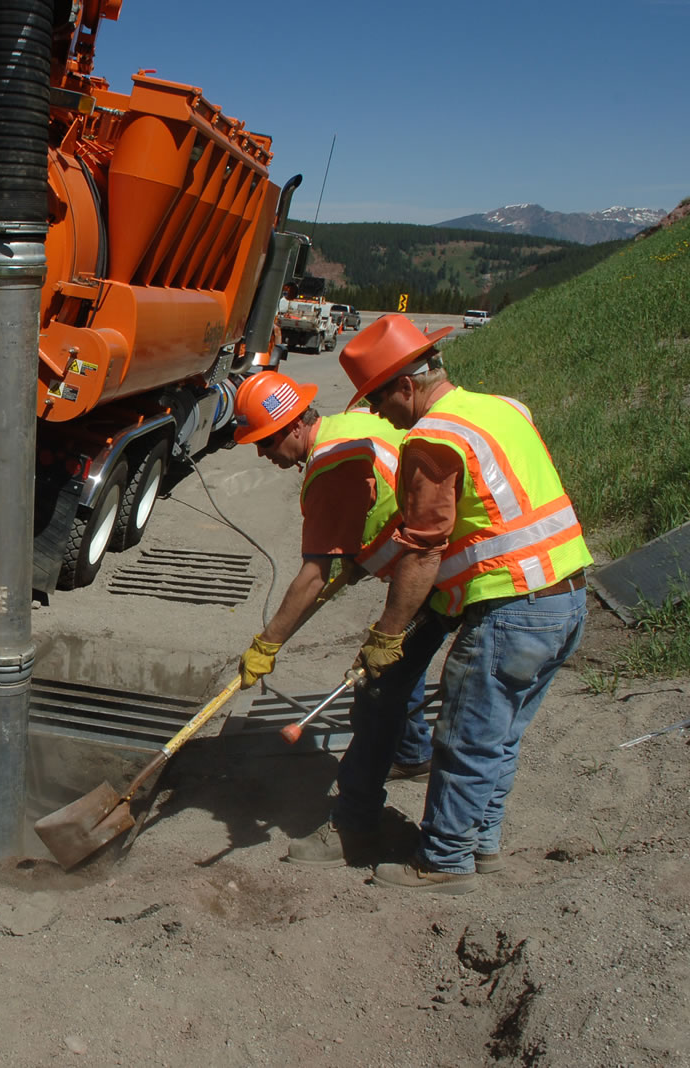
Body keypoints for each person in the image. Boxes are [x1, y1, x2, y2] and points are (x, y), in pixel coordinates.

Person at [338, 314, 591, 894]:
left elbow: (425, 551)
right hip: (568, 597)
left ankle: (444, 861)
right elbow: (491, 514)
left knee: (465, 734)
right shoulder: (504, 408)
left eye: (378, 403)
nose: (379, 417)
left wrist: (388, 633)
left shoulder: (433, 439)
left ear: (406, 385)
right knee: (500, 733)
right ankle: (482, 844)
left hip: (514, 606)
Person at [229, 372, 441, 869]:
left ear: (296, 424)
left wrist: (268, 643)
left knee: (374, 688)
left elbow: (311, 577)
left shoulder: (329, 467)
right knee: (400, 667)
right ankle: (410, 753)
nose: (264, 455)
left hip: (439, 575)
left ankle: (355, 822)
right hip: (436, 563)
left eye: (266, 441)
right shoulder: (354, 425)